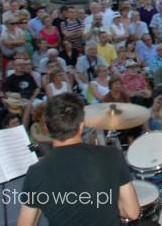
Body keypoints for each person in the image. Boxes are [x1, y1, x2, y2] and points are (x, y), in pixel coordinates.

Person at [18, 93, 140, 226]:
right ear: (82, 125)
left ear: (47, 128)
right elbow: (132, 212)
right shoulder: (112, 155)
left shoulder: (36, 172)